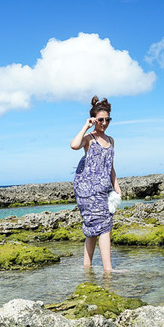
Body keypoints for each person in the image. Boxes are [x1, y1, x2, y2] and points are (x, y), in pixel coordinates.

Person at [71, 96, 122, 273]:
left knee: (93, 227)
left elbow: (110, 167)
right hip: (86, 188)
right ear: (94, 119)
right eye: (101, 120)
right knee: (105, 225)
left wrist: (117, 188)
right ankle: (108, 269)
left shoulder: (111, 140)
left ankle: (87, 268)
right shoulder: (89, 138)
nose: (104, 123)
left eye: (108, 119)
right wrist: (86, 126)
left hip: (104, 188)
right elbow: (74, 145)